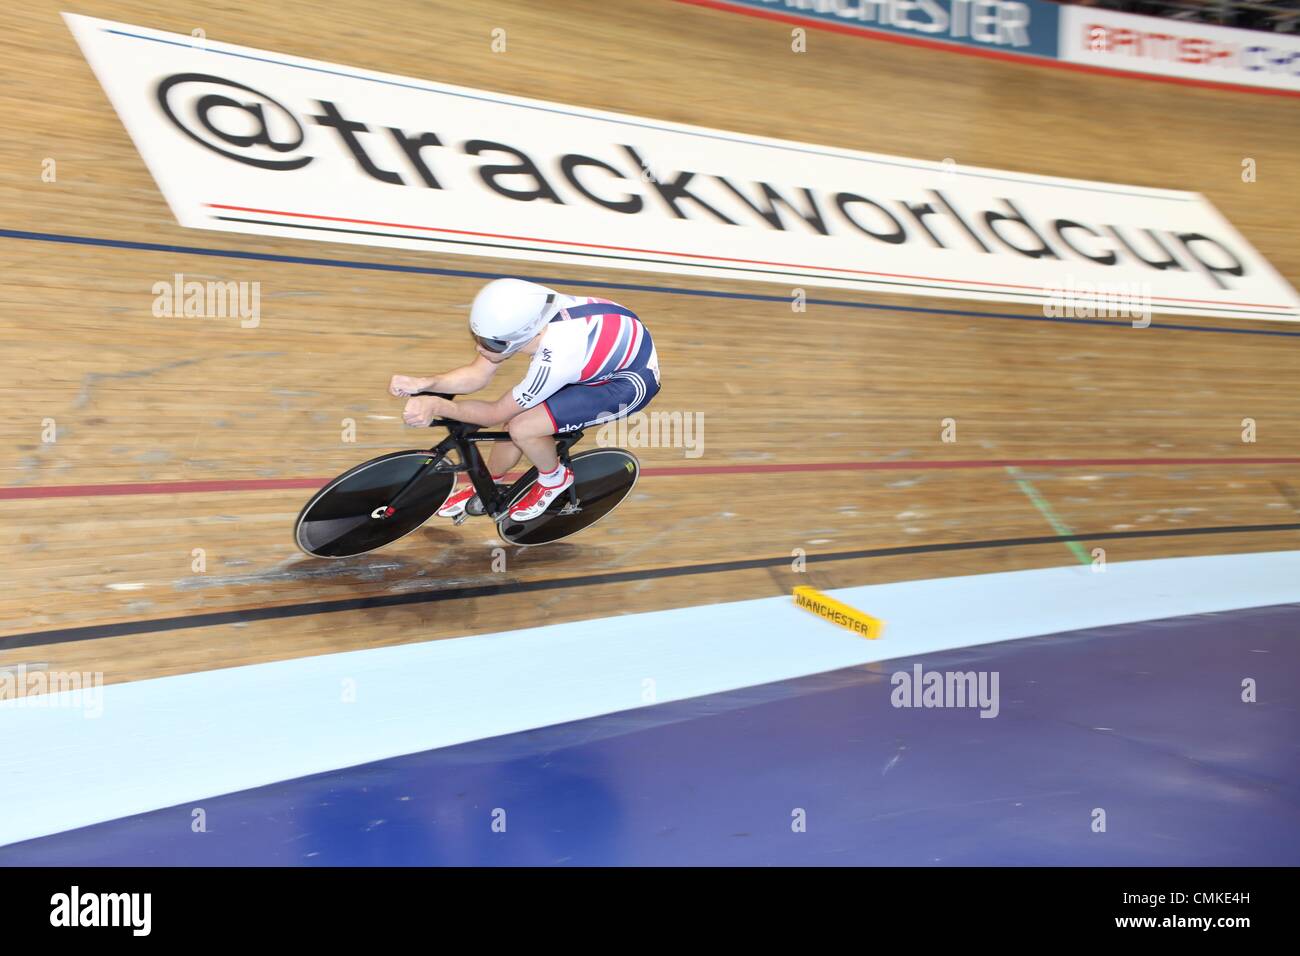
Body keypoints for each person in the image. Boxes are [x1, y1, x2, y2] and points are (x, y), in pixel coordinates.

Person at [390, 278, 661, 521]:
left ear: (521, 337)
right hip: (594, 356)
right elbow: (477, 375)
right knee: (516, 420)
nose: (479, 348)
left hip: (625, 384)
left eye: (492, 344)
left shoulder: (555, 358)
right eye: (478, 337)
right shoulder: (524, 319)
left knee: (522, 427)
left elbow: (493, 413)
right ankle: (487, 483)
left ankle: (554, 479)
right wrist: (426, 383)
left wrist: (436, 404)